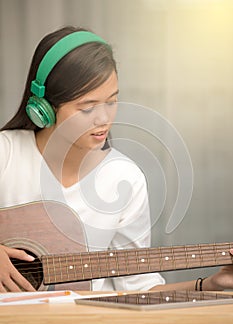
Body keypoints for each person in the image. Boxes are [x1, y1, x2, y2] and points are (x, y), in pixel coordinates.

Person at [0, 26, 233, 293]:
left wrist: (210, 284)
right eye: (87, 108)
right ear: (45, 108)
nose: (103, 120)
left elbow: (138, 288)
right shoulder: (5, 153)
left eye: (111, 102)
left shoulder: (125, 178)